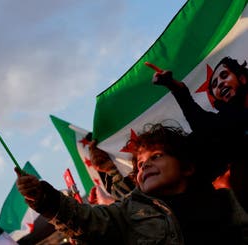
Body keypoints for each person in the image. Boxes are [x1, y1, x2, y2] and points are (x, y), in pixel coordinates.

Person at [16, 123, 248, 244]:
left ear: (186, 167)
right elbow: (86, 222)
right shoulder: (127, 212)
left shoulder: (226, 199)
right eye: (140, 164)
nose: (145, 165)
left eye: (156, 156)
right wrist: (45, 199)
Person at [146, 58, 248, 212]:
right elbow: (205, 125)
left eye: (224, 75)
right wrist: (177, 89)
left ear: (242, 78)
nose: (220, 83)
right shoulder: (224, 125)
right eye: (214, 84)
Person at [87, 139, 135, 205]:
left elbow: (137, 205)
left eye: (154, 158)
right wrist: (109, 168)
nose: (146, 165)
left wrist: (107, 202)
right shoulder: (111, 184)